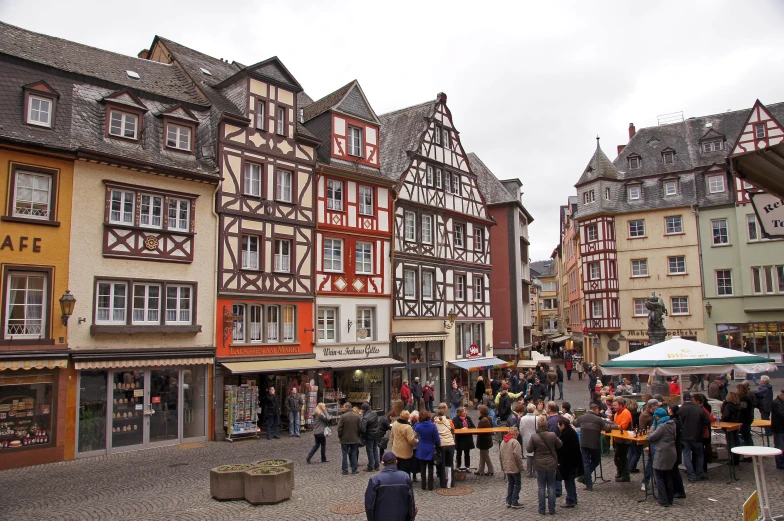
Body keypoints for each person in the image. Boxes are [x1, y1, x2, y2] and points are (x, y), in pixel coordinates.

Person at [573, 402, 616, 490]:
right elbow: (607, 428)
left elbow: (574, 423)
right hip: (594, 444)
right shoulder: (598, 419)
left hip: (584, 443)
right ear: (596, 410)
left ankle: (588, 483)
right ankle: (583, 477)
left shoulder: (582, 417)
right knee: (595, 461)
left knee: (586, 463)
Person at [364, 451, 417, 521]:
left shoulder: (375, 480)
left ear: (383, 463)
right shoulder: (405, 477)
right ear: (396, 462)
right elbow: (411, 502)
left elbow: (369, 505)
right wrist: (410, 518)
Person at [527, 414, 563, 516]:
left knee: (541, 487)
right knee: (551, 486)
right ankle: (552, 509)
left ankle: (542, 509)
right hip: (551, 463)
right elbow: (560, 444)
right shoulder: (552, 435)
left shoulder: (534, 437)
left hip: (539, 464)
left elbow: (529, 449)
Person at [648, 407, 677, 507]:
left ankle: (663, 500)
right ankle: (670, 498)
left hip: (662, 453)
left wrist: (653, 426)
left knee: (659, 476)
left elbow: (651, 436)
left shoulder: (662, 426)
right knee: (668, 476)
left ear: (657, 417)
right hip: (671, 451)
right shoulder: (672, 424)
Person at [678, 393, 710, 482]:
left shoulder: (681, 409)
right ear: (691, 399)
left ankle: (691, 475)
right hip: (697, 435)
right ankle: (700, 473)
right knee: (699, 455)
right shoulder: (699, 409)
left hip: (684, 436)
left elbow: (676, 422)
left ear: (684, 400)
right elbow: (707, 421)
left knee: (687, 455)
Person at [556, 417, 583, 509]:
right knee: (570, 481)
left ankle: (570, 499)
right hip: (573, 460)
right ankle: (573, 498)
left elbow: (562, 448)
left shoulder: (566, 434)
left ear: (562, 425)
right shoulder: (570, 431)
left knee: (568, 481)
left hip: (568, 462)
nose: (557, 426)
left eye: (558, 424)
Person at [413, 409, 440, 490]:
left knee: (422, 468)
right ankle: (430, 485)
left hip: (421, 448)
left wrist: (417, 421)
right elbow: (437, 438)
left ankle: (423, 485)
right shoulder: (433, 426)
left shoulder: (418, 426)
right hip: (430, 448)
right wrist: (437, 444)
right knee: (431, 468)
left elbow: (414, 433)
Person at [500, 426, 525, 508]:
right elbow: (517, 455)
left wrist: (503, 466)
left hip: (507, 466)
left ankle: (508, 501)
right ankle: (514, 501)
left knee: (510, 484)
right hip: (514, 467)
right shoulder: (515, 442)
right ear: (516, 433)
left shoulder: (503, 442)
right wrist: (521, 467)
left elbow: (500, 456)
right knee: (517, 484)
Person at [390, 410, 418, 480]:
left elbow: (392, 435)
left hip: (396, 449)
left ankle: (397, 480)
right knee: (405, 468)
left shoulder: (395, 423)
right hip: (405, 451)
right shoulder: (408, 427)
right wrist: (417, 441)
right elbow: (411, 440)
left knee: (397, 466)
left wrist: (393, 443)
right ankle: (405, 481)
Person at [667, 404, 687, 500]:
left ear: (670, 410)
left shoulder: (673, 421)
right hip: (676, 447)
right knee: (674, 470)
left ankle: (679, 491)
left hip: (674, 448)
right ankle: (677, 490)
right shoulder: (677, 419)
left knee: (674, 471)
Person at [434, 404, 456, 487]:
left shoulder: (435, 422)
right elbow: (453, 429)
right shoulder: (449, 421)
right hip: (450, 443)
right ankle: (451, 482)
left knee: (442, 464)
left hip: (442, 444)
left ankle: (443, 483)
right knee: (450, 463)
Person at [611, 397, 632, 482]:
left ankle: (625, 475)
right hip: (618, 439)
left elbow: (623, 426)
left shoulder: (625, 413)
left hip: (624, 439)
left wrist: (612, 426)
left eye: (615, 405)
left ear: (621, 405)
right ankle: (621, 472)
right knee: (618, 457)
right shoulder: (617, 413)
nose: (614, 407)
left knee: (622, 457)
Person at [338, 402, 362, 475]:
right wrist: (357, 435)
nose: (343, 408)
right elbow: (360, 428)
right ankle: (354, 469)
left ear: (347, 407)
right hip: (354, 438)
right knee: (354, 454)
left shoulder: (343, 417)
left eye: (344, 407)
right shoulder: (357, 417)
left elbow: (339, 428)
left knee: (344, 454)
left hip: (344, 439)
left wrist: (340, 436)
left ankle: (345, 470)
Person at [453, 407, 475, 471]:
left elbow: (473, 427)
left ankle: (467, 466)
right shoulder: (455, 419)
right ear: (459, 413)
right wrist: (461, 429)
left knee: (467, 454)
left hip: (467, 438)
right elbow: (454, 428)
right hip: (460, 439)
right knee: (459, 453)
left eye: (465, 411)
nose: (465, 412)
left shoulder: (468, 418)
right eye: (463, 411)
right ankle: (458, 466)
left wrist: (468, 429)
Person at [361, 402, 381, 472]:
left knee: (370, 450)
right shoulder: (374, 413)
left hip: (369, 435)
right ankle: (377, 465)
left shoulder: (365, 418)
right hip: (376, 434)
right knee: (375, 449)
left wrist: (363, 437)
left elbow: (363, 429)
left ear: (363, 410)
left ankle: (370, 466)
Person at [475, 405, 495, 476]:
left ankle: (491, 469)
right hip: (486, 440)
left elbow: (478, 431)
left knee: (485, 455)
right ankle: (481, 470)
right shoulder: (488, 418)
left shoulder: (483, 420)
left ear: (481, 412)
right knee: (483, 455)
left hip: (483, 441)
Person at [521, 403, 538, 478]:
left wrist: (523, 435)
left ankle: (528, 472)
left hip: (526, 437)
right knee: (535, 455)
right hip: (535, 437)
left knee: (528, 455)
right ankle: (535, 472)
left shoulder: (523, 418)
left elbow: (521, 429)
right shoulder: (537, 418)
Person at [738, 382, 757, 448]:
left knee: (746, 436)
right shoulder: (746, 397)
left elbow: (743, 409)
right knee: (747, 435)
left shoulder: (744, 398)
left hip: (745, 420)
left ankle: (749, 449)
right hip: (747, 418)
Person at [627, 400, 642, 473]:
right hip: (635, 433)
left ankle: (629, 466)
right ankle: (632, 467)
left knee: (631, 450)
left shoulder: (627, 413)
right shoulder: (636, 414)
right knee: (637, 452)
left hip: (629, 433)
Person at [772, 388, 784, 470]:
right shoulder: (776, 403)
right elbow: (782, 414)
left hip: (782, 427)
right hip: (779, 428)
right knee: (780, 446)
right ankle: (780, 463)